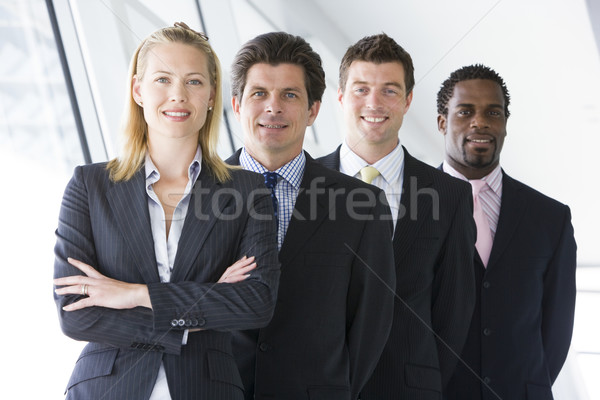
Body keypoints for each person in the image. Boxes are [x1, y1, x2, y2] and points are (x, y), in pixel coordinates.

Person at [53, 23, 280, 400]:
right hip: (107, 388)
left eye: (193, 82)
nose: (178, 95)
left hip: (208, 389)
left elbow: (255, 304)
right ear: (138, 90)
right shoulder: (89, 186)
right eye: (162, 79)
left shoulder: (246, 191)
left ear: (210, 96)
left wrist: (136, 295)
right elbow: (76, 312)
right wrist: (205, 305)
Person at [226, 31, 396, 400]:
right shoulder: (194, 194)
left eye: (290, 95)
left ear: (313, 110)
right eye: (259, 94)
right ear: (237, 104)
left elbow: (371, 322)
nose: (273, 107)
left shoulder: (363, 205)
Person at [318, 33, 476, 399]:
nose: (374, 102)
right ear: (340, 97)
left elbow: (453, 312)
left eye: (389, 90)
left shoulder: (449, 195)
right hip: (318, 386)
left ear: (407, 101)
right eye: (360, 89)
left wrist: (422, 378)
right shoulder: (303, 185)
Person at [437, 64, 577, 400]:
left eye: (493, 112)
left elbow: (556, 330)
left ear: (504, 124)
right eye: (466, 111)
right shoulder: (405, 207)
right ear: (443, 122)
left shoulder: (551, 218)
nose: (480, 122)